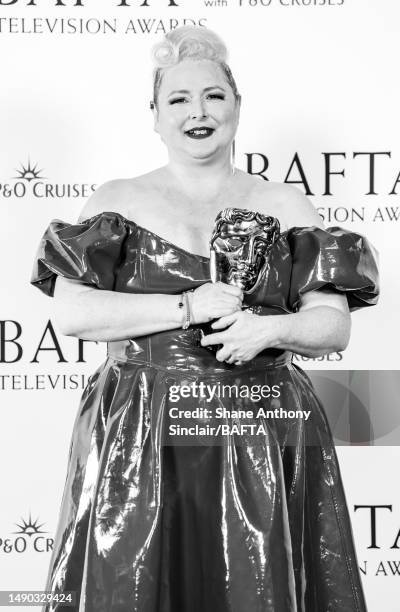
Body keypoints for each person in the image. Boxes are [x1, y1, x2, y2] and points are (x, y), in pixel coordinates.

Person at [31, 25, 379, 612]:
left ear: (237, 107)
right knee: (133, 583)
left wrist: (272, 329)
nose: (199, 112)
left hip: (262, 425)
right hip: (143, 425)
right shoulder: (118, 198)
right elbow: (73, 313)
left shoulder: (286, 205)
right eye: (179, 99)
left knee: (257, 583)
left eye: (214, 96)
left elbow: (332, 326)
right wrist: (186, 307)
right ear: (155, 115)